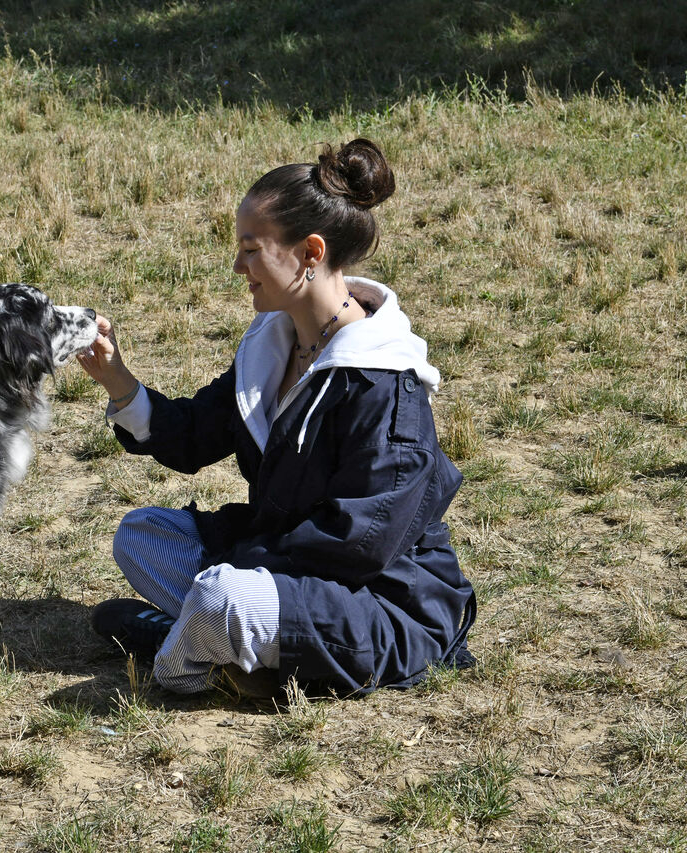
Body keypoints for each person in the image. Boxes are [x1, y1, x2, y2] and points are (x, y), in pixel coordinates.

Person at [76, 139, 475, 698]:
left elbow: (355, 544)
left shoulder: (385, 383)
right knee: (141, 536)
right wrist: (116, 378)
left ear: (310, 253)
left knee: (221, 596)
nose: (238, 266)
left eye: (251, 250)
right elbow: (193, 435)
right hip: (282, 559)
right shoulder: (274, 343)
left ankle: (185, 653)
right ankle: (226, 642)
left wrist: (238, 569)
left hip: (379, 601)